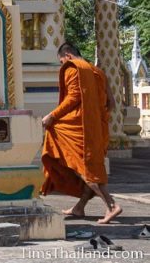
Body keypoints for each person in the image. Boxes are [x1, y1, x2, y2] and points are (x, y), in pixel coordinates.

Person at [41, 42, 122, 224]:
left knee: (83, 168)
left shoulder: (73, 68)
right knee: (88, 166)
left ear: (68, 56)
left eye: (62, 61)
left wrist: (52, 116)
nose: (63, 65)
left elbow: (74, 97)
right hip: (97, 129)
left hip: (78, 129)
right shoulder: (96, 71)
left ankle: (111, 206)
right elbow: (111, 102)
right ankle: (79, 207)